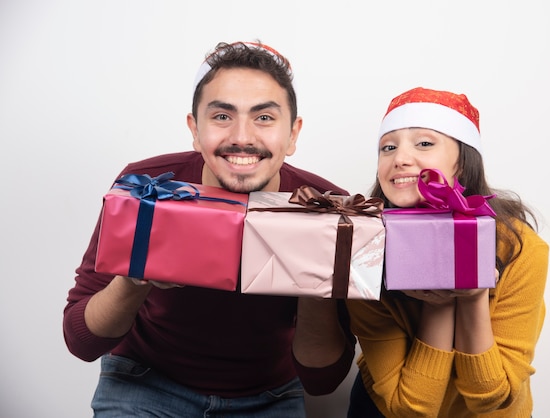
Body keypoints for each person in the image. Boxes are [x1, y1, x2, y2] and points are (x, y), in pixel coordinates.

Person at [63, 40, 355, 417]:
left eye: (264, 117)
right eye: (222, 117)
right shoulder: (145, 188)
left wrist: (315, 288)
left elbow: (324, 380)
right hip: (145, 382)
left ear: (293, 134)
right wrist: (135, 279)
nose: (242, 137)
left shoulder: (327, 209)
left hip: (269, 397)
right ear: (195, 130)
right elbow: (80, 341)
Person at [345, 87, 549, 417]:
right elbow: (408, 408)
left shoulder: (519, 248)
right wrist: (439, 303)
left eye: (424, 143)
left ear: (464, 164)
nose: (400, 158)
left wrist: (472, 297)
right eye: (388, 147)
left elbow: (491, 398)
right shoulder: (363, 249)